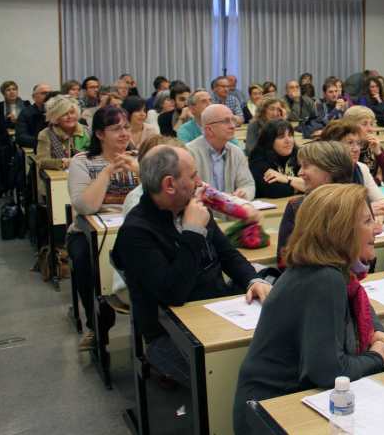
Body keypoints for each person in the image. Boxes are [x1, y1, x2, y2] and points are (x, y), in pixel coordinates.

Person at [232, 184, 384, 432]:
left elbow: (361, 305)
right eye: (366, 222)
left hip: (285, 401)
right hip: (271, 413)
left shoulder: (330, 270)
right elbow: (329, 372)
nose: (377, 228)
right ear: (341, 232)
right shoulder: (324, 279)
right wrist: (377, 356)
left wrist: (377, 331)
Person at [113, 145, 272, 388]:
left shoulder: (192, 206)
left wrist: (254, 280)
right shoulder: (136, 232)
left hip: (220, 309)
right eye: (192, 176)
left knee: (273, 356)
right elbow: (174, 292)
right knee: (228, 380)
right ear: (169, 185)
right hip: (170, 333)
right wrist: (193, 232)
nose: (200, 182)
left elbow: (228, 254)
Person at [67, 106, 139, 350]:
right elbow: (86, 206)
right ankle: (96, 324)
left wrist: (138, 169)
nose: (124, 134)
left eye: (126, 127)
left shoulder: (139, 157)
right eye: (116, 128)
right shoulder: (83, 161)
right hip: (90, 230)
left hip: (131, 229)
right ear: (99, 134)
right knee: (83, 259)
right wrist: (108, 171)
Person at [276, 141, 355, 267]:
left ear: (329, 170)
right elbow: (284, 261)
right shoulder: (297, 206)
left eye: (306, 166)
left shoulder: (357, 203)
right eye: (300, 166)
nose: (299, 173)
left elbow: (367, 256)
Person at [319, 120, 384, 222]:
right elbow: (326, 217)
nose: (356, 149)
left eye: (358, 143)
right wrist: (366, 212)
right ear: (333, 146)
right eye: (350, 143)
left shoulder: (361, 168)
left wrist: (379, 217)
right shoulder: (320, 171)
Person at [187, 104, 256, 200]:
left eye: (233, 120)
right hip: (202, 212)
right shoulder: (189, 154)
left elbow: (248, 184)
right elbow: (186, 192)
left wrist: (243, 193)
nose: (232, 126)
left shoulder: (236, 152)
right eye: (226, 121)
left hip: (231, 211)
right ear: (209, 129)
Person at [248, 120, 306, 198]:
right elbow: (273, 191)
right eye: (281, 137)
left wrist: (286, 179)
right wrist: (300, 186)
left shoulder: (298, 154)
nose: (288, 141)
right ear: (270, 141)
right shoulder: (258, 157)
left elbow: (314, 183)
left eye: (290, 135)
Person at [344, 106, 384, 186]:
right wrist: (378, 180)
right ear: (350, 126)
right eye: (364, 124)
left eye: (371, 124)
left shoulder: (374, 145)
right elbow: (355, 184)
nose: (370, 129)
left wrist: (379, 153)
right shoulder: (345, 149)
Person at [36, 95, 91, 170]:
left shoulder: (87, 131)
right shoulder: (46, 134)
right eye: (64, 114)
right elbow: (41, 162)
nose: (69, 116)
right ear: (56, 117)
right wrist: (62, 162)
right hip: (60, 177)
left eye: (72, 112)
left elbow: (99, 156)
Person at [15, 82, 52, 149]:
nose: (48, 96)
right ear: (34, 97)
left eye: (50, 93)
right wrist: (43, 142)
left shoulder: (57, 111)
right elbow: (21, 137)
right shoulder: (26, 113)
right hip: (35, 149)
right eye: (44, 93)